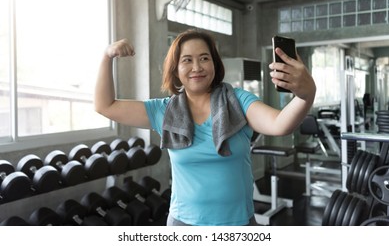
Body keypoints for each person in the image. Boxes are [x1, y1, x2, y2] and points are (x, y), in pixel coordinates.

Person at [94, 29, 316, 226]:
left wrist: (306, 94)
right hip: (183, 224)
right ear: (176, 69)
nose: (197, 67)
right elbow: (105, 106)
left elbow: (279, 124)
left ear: (214, 64)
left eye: (204, 58)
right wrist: (107, 57)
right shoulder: (164, 111)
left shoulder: (238, 101)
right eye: (187, 60)